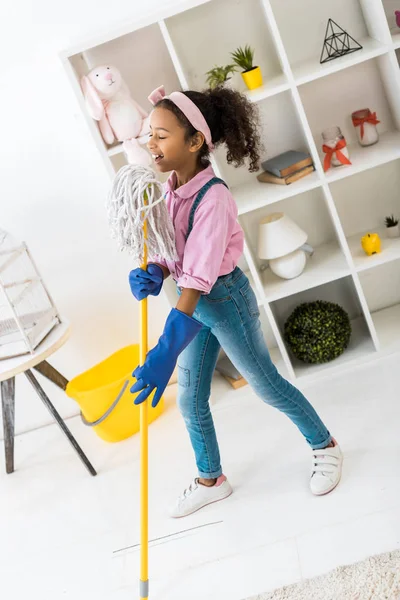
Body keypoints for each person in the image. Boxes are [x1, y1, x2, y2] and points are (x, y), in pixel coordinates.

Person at [129, 85, 343, 518]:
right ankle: (211, 479)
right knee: (190, 398)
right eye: (149, 133)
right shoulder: (171, 189)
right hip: (196, 308)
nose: (150, 143)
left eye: (161, 135)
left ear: (194, 143)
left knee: (265, 384)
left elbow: (202, 273)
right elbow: (180, 254)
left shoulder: (214, 198)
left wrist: (167, 346)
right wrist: (158, 272)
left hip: (223, 300)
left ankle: (327, 446)